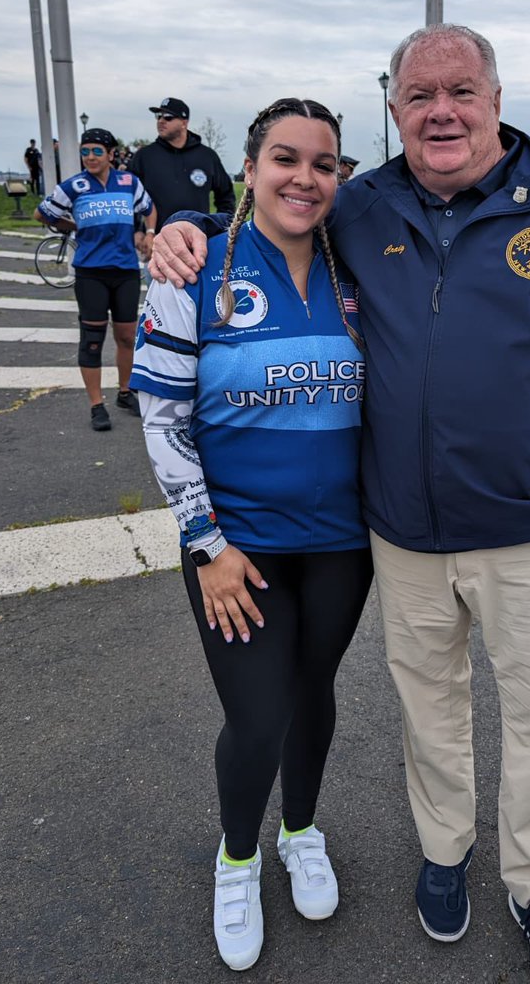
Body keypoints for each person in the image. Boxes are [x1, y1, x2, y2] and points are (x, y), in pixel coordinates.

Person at [149, 26, 530, 984]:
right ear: (393, 111)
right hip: (401, 535)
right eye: (419, 94)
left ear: (496, 97)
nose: (441, 111)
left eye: (460, 90)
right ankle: (442, 855)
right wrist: (180, 235)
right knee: (428, 708)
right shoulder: (362, 205)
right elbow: (267, 225)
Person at [129, 98, 371, 972]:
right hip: (239, 548)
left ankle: (300, 831)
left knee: (315, 694)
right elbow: (162, 418)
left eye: (323, 163)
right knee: (258, 714)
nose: (304, 178)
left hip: (342, 543)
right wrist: (205, 543)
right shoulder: (194, 268)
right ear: (253, 167)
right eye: (285, 158)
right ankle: (238, 858)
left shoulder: (357, 270)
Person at [36, 127, 156, 431]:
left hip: (125, 270)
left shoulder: (129, 182)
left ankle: (126, 393)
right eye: (85, 151)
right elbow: (42, 214)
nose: (90, 157)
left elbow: (149, 209)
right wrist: (72, 227)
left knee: (127, 336)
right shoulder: (74, 185)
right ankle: (96, 405)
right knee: (92, 340)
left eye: (96, 151)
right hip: (91, 272)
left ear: (111, 155)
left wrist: (150, 232)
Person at [127, 96, 236, 231]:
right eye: (158, 116)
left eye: (168, 117)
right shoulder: (144, 156)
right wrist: (137, 230)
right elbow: (128, 197)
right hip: (155, 241)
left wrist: (222, 228)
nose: (161, 121)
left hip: (198, 241)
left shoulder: (207, 156)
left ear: (184, 122)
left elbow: (226, 196)